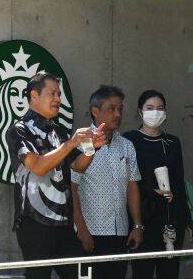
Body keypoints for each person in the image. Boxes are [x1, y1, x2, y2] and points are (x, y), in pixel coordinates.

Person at [7, 72, 107, 279]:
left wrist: (91, 148)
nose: (58, 99)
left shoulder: (58, 132)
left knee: (83, 275)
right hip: (34, 223)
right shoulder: (19, 130)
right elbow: (38, 167)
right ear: (34, 95)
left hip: (64, 224)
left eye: (59, 94)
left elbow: (77, 166)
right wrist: (70, 143)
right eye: (52, 93)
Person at [123, 90, 193, 279]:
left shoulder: (172, 142)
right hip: (142, 219)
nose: (155, 112)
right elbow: (126, 182)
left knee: (170, 272)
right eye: (150, 108)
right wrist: (151, 191)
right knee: (142, 272)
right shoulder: (130, 140)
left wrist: (187, 220)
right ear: (140, 111)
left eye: (160, 108)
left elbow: (179, 183)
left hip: (171, 220)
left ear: (165, 111)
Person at [70, 86, 144, 279]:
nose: (118, 114)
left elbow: (132, 186)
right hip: (90, 234)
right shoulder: (81, 142)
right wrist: (81, 228)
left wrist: (137, 226)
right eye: (112, 109)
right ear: (95, 111)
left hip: (120, 233)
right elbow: (72, 188)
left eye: (120, 109)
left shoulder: (127, 146)